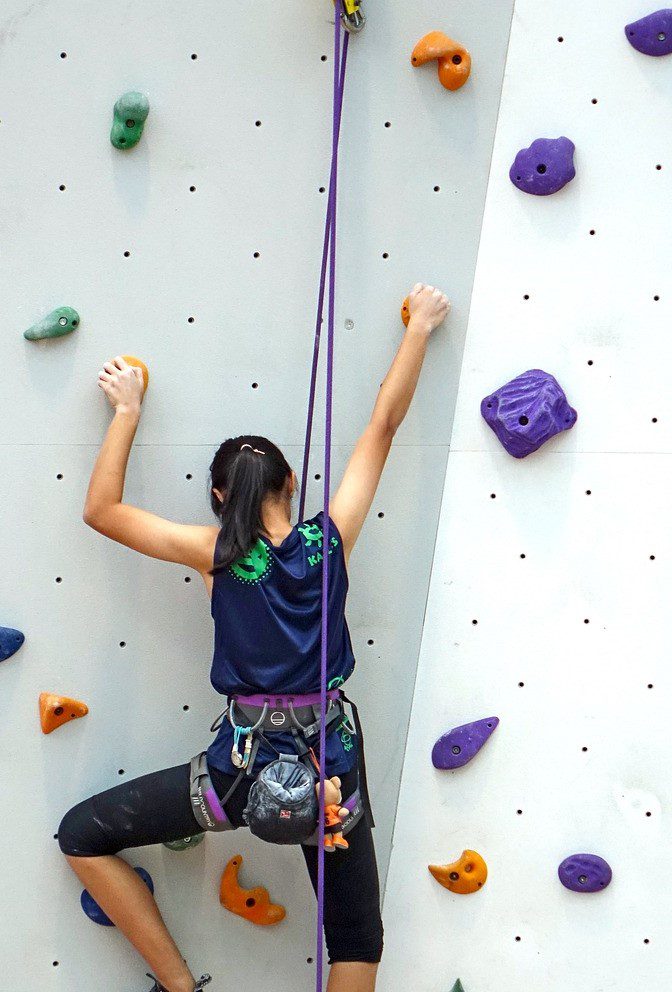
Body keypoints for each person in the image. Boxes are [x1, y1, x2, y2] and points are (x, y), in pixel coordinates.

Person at [57, 282, 451, 992]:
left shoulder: (215, 555)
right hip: (330, 772)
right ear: (292, 482)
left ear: (218, 496)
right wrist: (418, 327)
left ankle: (180, 988)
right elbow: (381, 429)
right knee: (355, 939)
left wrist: (127, 410)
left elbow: (103, 511)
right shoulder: (328, 542)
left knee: (82, 833)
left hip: (236, 774)